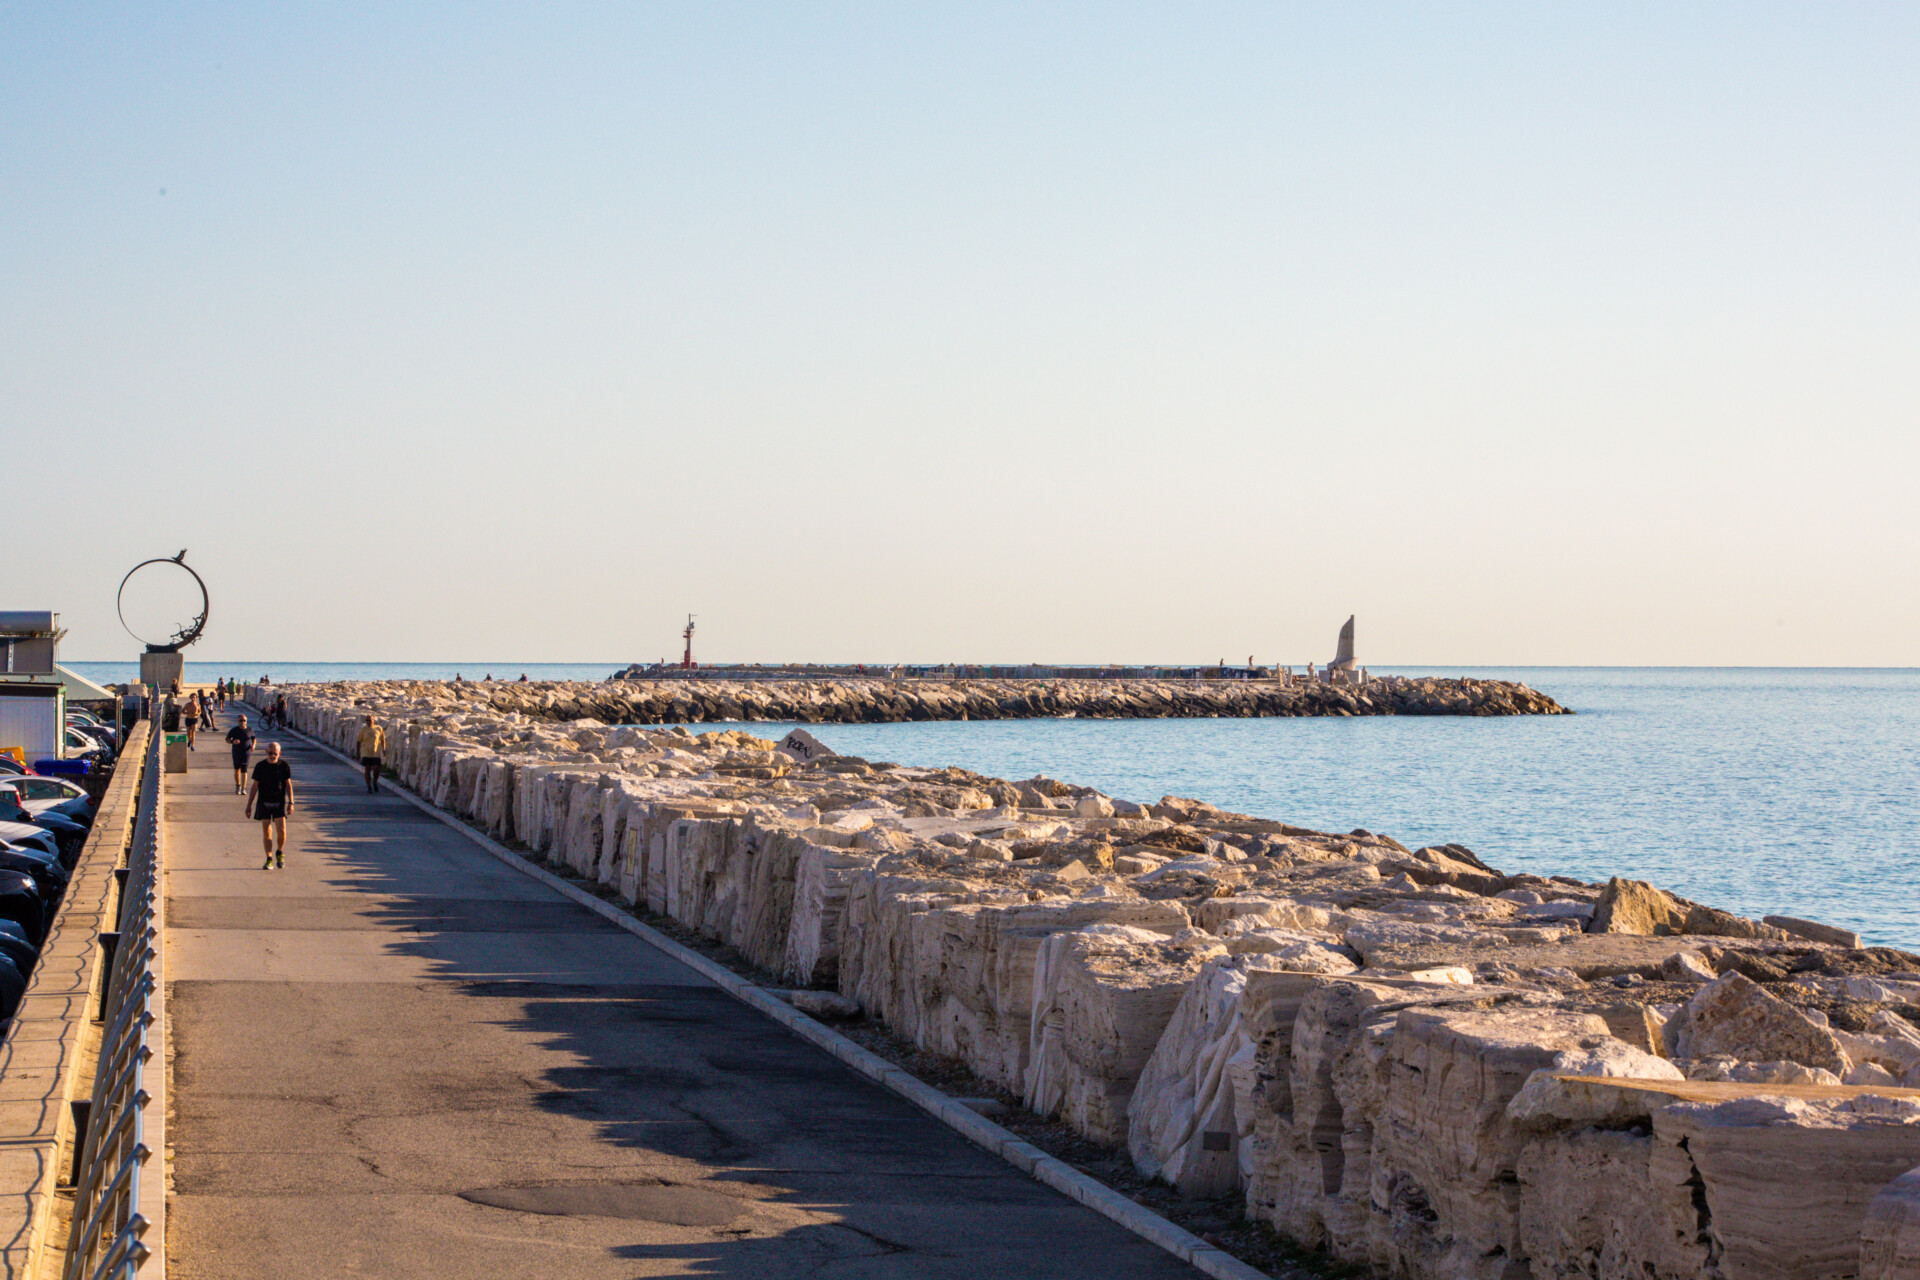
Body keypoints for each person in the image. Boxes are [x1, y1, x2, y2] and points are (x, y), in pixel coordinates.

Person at [245, 742, 294, 869]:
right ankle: (269, 858)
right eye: (270, 753)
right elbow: (255, 786)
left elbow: (288, 785)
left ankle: (279, 852)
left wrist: (291, 802)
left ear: (279, 753)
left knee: (281, 830)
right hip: (264, 802)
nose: (272, 756)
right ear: (266, 752)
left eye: (275, 754)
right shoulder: (260, 766)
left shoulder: (284, 766)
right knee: (267, 831)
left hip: (279, 802)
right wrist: (249, 805)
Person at [354, 714, 386, 794]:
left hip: (375, 753)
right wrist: (357, 753)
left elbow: (382, 739)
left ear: (373, 720)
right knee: (367, 769)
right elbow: (358, 741)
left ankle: (374, 781)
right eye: (367, 720)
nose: (368, 722)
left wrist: (383, 748)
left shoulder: (379, 728)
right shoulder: (363, 730)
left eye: (370, 720)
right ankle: (369, 786)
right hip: (366, 753)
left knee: (376, 768)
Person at [226, 715, 255, 794]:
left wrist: (253, 745)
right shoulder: (234, 730)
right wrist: (232, 741)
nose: (242, 722)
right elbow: (227, 739)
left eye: (244, 720)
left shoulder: (249, 730)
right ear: (238, 721)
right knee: (237, 769)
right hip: (236, 752)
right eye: (241, 720)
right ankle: (238, 786)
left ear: (246, 721)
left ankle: (243, 788)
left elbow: (253, 738)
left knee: (244, 769)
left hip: (246, 752)